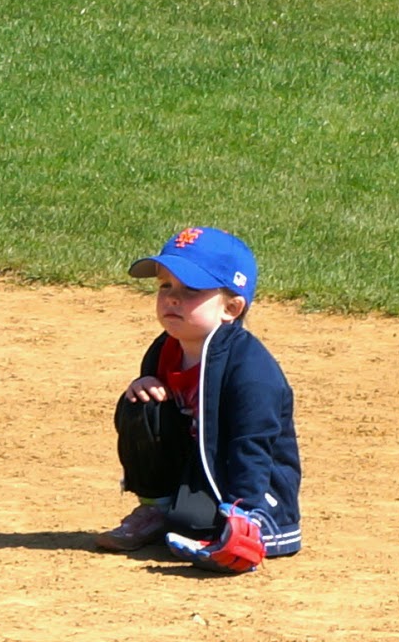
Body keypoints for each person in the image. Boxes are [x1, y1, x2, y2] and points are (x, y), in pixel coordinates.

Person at [95, 227, 302, 574]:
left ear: (231, 308)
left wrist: (245, 513)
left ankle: (239, 528)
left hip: (259, 496)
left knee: (228, 523)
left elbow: (252, 444)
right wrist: (143, 385)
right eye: (165, 286)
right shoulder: (165, 348)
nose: (172, 298)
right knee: (141, 403)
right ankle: (158, 510)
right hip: (198, 483)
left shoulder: (250, 369)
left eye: (191, 290)